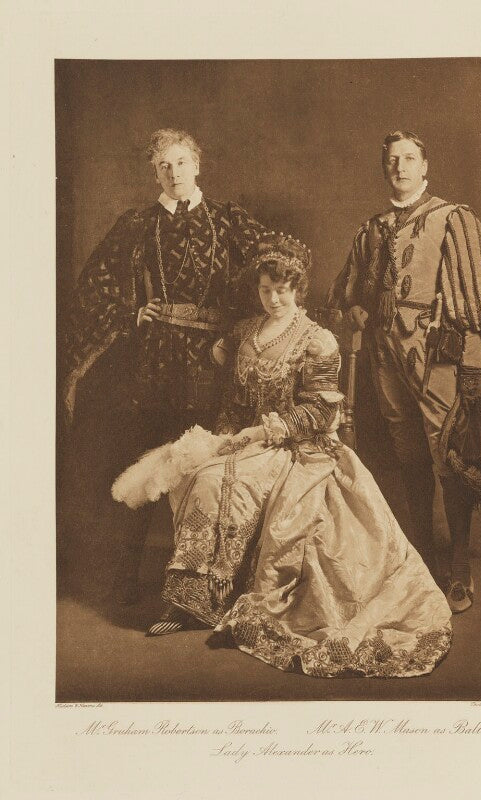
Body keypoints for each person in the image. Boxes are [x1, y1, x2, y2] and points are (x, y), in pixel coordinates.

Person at [115, 233, 452, 679]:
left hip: (298, 448)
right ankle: (194, 600)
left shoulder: (318, 340)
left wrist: (263, 431)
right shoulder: (243, 333)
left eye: (282, 290)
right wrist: (223, 438)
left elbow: (320, 409)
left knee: (218, 481)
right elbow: (233, 403)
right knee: (193, 471)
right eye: (266, 289)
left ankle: (210, 601)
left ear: (298, 290)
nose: (273, 299)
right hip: (247, 438)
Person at [62, 128, 267, 604]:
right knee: (146, 460)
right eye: (163, 166)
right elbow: (95, 284)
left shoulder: (227, 220)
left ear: (197, 165)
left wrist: (235, 331)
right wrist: (133, 310)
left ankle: (205, 583)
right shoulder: (139, 223)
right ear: (155, 172)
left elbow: (274, 269)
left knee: (206, 464)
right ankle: (126, 580)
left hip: (212, 360)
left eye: (181, 163)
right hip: (153, 361)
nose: (174, 173)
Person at [327, 130, 481, 614]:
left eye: (409, 158)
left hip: (438, 360)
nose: (400, 167)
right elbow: (347, 294)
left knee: (446, 455)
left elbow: (477, 305)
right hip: (385, 361)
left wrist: (472, 371)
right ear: (384, 168)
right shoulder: (370, 230)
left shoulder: (453, 220)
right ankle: (421, 553)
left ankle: (459, 562)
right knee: (407, 455)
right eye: (392, 160)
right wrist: (354, 311)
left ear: (424, 165)